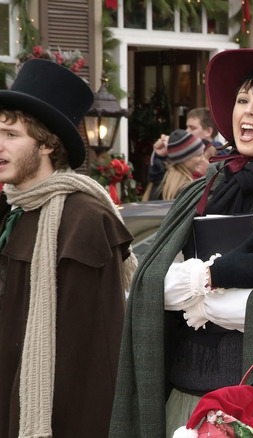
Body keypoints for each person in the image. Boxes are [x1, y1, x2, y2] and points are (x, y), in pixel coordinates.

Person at [110, 49, 253, 437]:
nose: (248, 112)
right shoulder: (202, 190)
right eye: (242, 100)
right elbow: (148, 283)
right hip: (183, 395)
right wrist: (211, 275)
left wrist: (204, 301)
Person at [0, 59, 136, 437]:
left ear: (47, 143)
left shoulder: (84, 220)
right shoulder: (14, 207)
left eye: (11, 134)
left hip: (52, 418)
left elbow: (92, 358)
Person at [148, 107, 224, 189]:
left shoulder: (225, 160)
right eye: (187, 127)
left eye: (192, 128)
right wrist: (160, 156)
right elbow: (156, 181)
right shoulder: (175, 156)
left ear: (208, 132)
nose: (187, 131)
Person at [142, 129, 207, 201]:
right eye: (199, 155)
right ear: (184, 158)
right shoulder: (186, 189)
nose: (203, 159)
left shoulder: (161, 179)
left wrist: (159, 156)